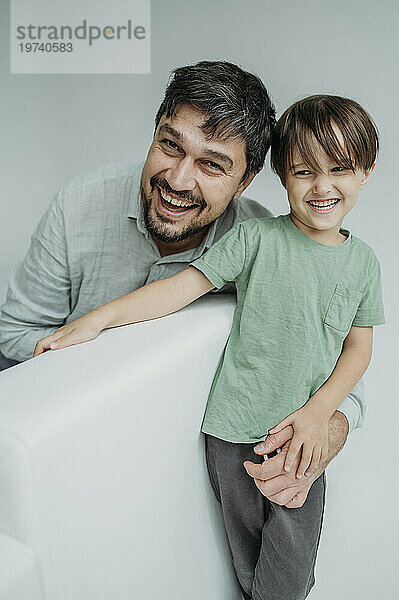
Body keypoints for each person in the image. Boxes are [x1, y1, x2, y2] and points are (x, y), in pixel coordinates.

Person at [33, 94, 385, 599]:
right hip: (230, 430)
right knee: (245, 557)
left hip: (300, 434)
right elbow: (182, 287)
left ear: (366, 172)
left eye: (340, 170)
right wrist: (98, 319)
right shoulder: (255, 240)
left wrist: (318, 413)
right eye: (305, 172)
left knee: (291, 564)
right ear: (282, 176)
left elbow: (359, 349)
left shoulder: (364, 264)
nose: (322, 186)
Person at [0, 61, 363, 513]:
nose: (177, 179)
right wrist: (93, 373)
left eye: (212, 165)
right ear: (154, 133)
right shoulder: (78, 205)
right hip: (58, 445)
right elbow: (12, 334)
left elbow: (336, 361)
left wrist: (332, 425)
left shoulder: (265, 243)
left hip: (174, 473)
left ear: (244, 182)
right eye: (171, 146)